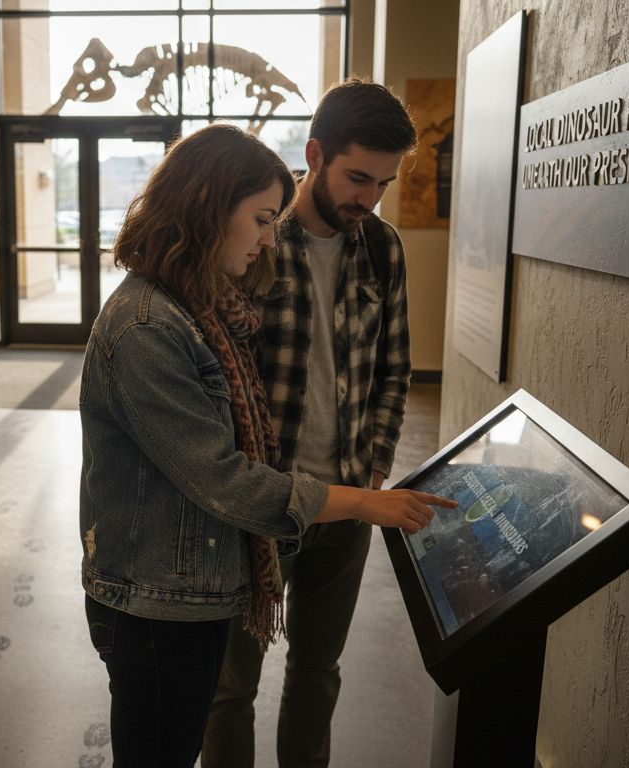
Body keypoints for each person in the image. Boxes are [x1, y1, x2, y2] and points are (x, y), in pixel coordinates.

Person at [79, 123, 453, 768]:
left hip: (197, 577)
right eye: (258, 219)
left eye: (271, 220)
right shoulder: (148, 327)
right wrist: (363, 503)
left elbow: (391, 369)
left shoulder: (194, 306)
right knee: (197, 719)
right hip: (165, 594)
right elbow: (221, 478)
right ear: (205, 209)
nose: (265, 239)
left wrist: (365, 473)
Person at [203, 79, 420, 768]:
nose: (368, 198)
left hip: (351, 501)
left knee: (317, 675)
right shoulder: (256, 240)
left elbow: (395, 369)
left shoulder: (382, 249)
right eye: (358, 177)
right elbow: (218, 380)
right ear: (315, 154)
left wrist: (375, 465)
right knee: (231, 686)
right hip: (261, 507)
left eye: (382, 184)